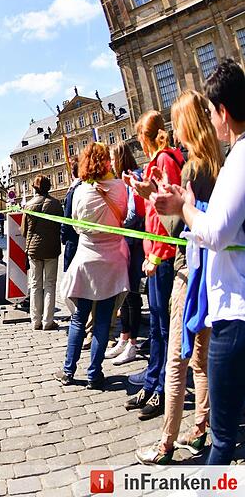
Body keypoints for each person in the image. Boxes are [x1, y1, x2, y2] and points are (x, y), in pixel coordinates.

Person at [153, 59, 245, 466]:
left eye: (211, 111)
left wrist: (182, 209)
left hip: (234, 307)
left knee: (223, 441)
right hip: (228, 300)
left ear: (222, 113)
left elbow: (216, 232)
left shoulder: (235, 161)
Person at [136, 90, 221, 465]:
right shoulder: (224, 160)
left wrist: (153, 196)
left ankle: (166, 443)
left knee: (176, 358)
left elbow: (179, 223)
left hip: (191, 270)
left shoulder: (190, 168)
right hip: (216, 271)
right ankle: (203, 428)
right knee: (201, 359)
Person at [123, 111, 184, 419]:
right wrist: (138, 188)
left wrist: (156, 255)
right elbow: (153, 205)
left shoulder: (165, 161)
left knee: (162, 328)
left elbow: (167, 215)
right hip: (156, 255)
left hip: (162, 257)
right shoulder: (159, 160)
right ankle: (152, 381)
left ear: (145, 138)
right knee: (159, 328)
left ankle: (161, 389)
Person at [56, 142, 129, 390]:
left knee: (79, 318)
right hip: (112, 262)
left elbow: (75, 226)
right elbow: (124, 219)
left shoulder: (80, 191)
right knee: (102, 321)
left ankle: (68, 371)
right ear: (107, 161)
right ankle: (94, 374)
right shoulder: (121, 187)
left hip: (87, 258)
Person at [106, 144, 145, 366]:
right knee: (126, 294)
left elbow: (134, 213)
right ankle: (124, 338)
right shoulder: (124, 178)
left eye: (112, 158)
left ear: (120, 158)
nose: (110, 163)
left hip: (134, 243)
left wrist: (116, 224)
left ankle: (132, 343)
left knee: (132, 294)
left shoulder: (133, 177)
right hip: (126, 242)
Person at [22, 175, 63, 330]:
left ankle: (35, 321)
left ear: (34, 188)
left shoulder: (28, 205)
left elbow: (24, 230)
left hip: (34, 249)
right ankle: (47, 321)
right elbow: (61, 226)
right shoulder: (56, 204)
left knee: (35, 285)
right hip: (52, 248)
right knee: (50, 284)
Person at [61, 157, 81, 271]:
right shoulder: (91, 186)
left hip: (73, 240)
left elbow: (66, 218)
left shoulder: (72, 190)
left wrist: (63, 238)